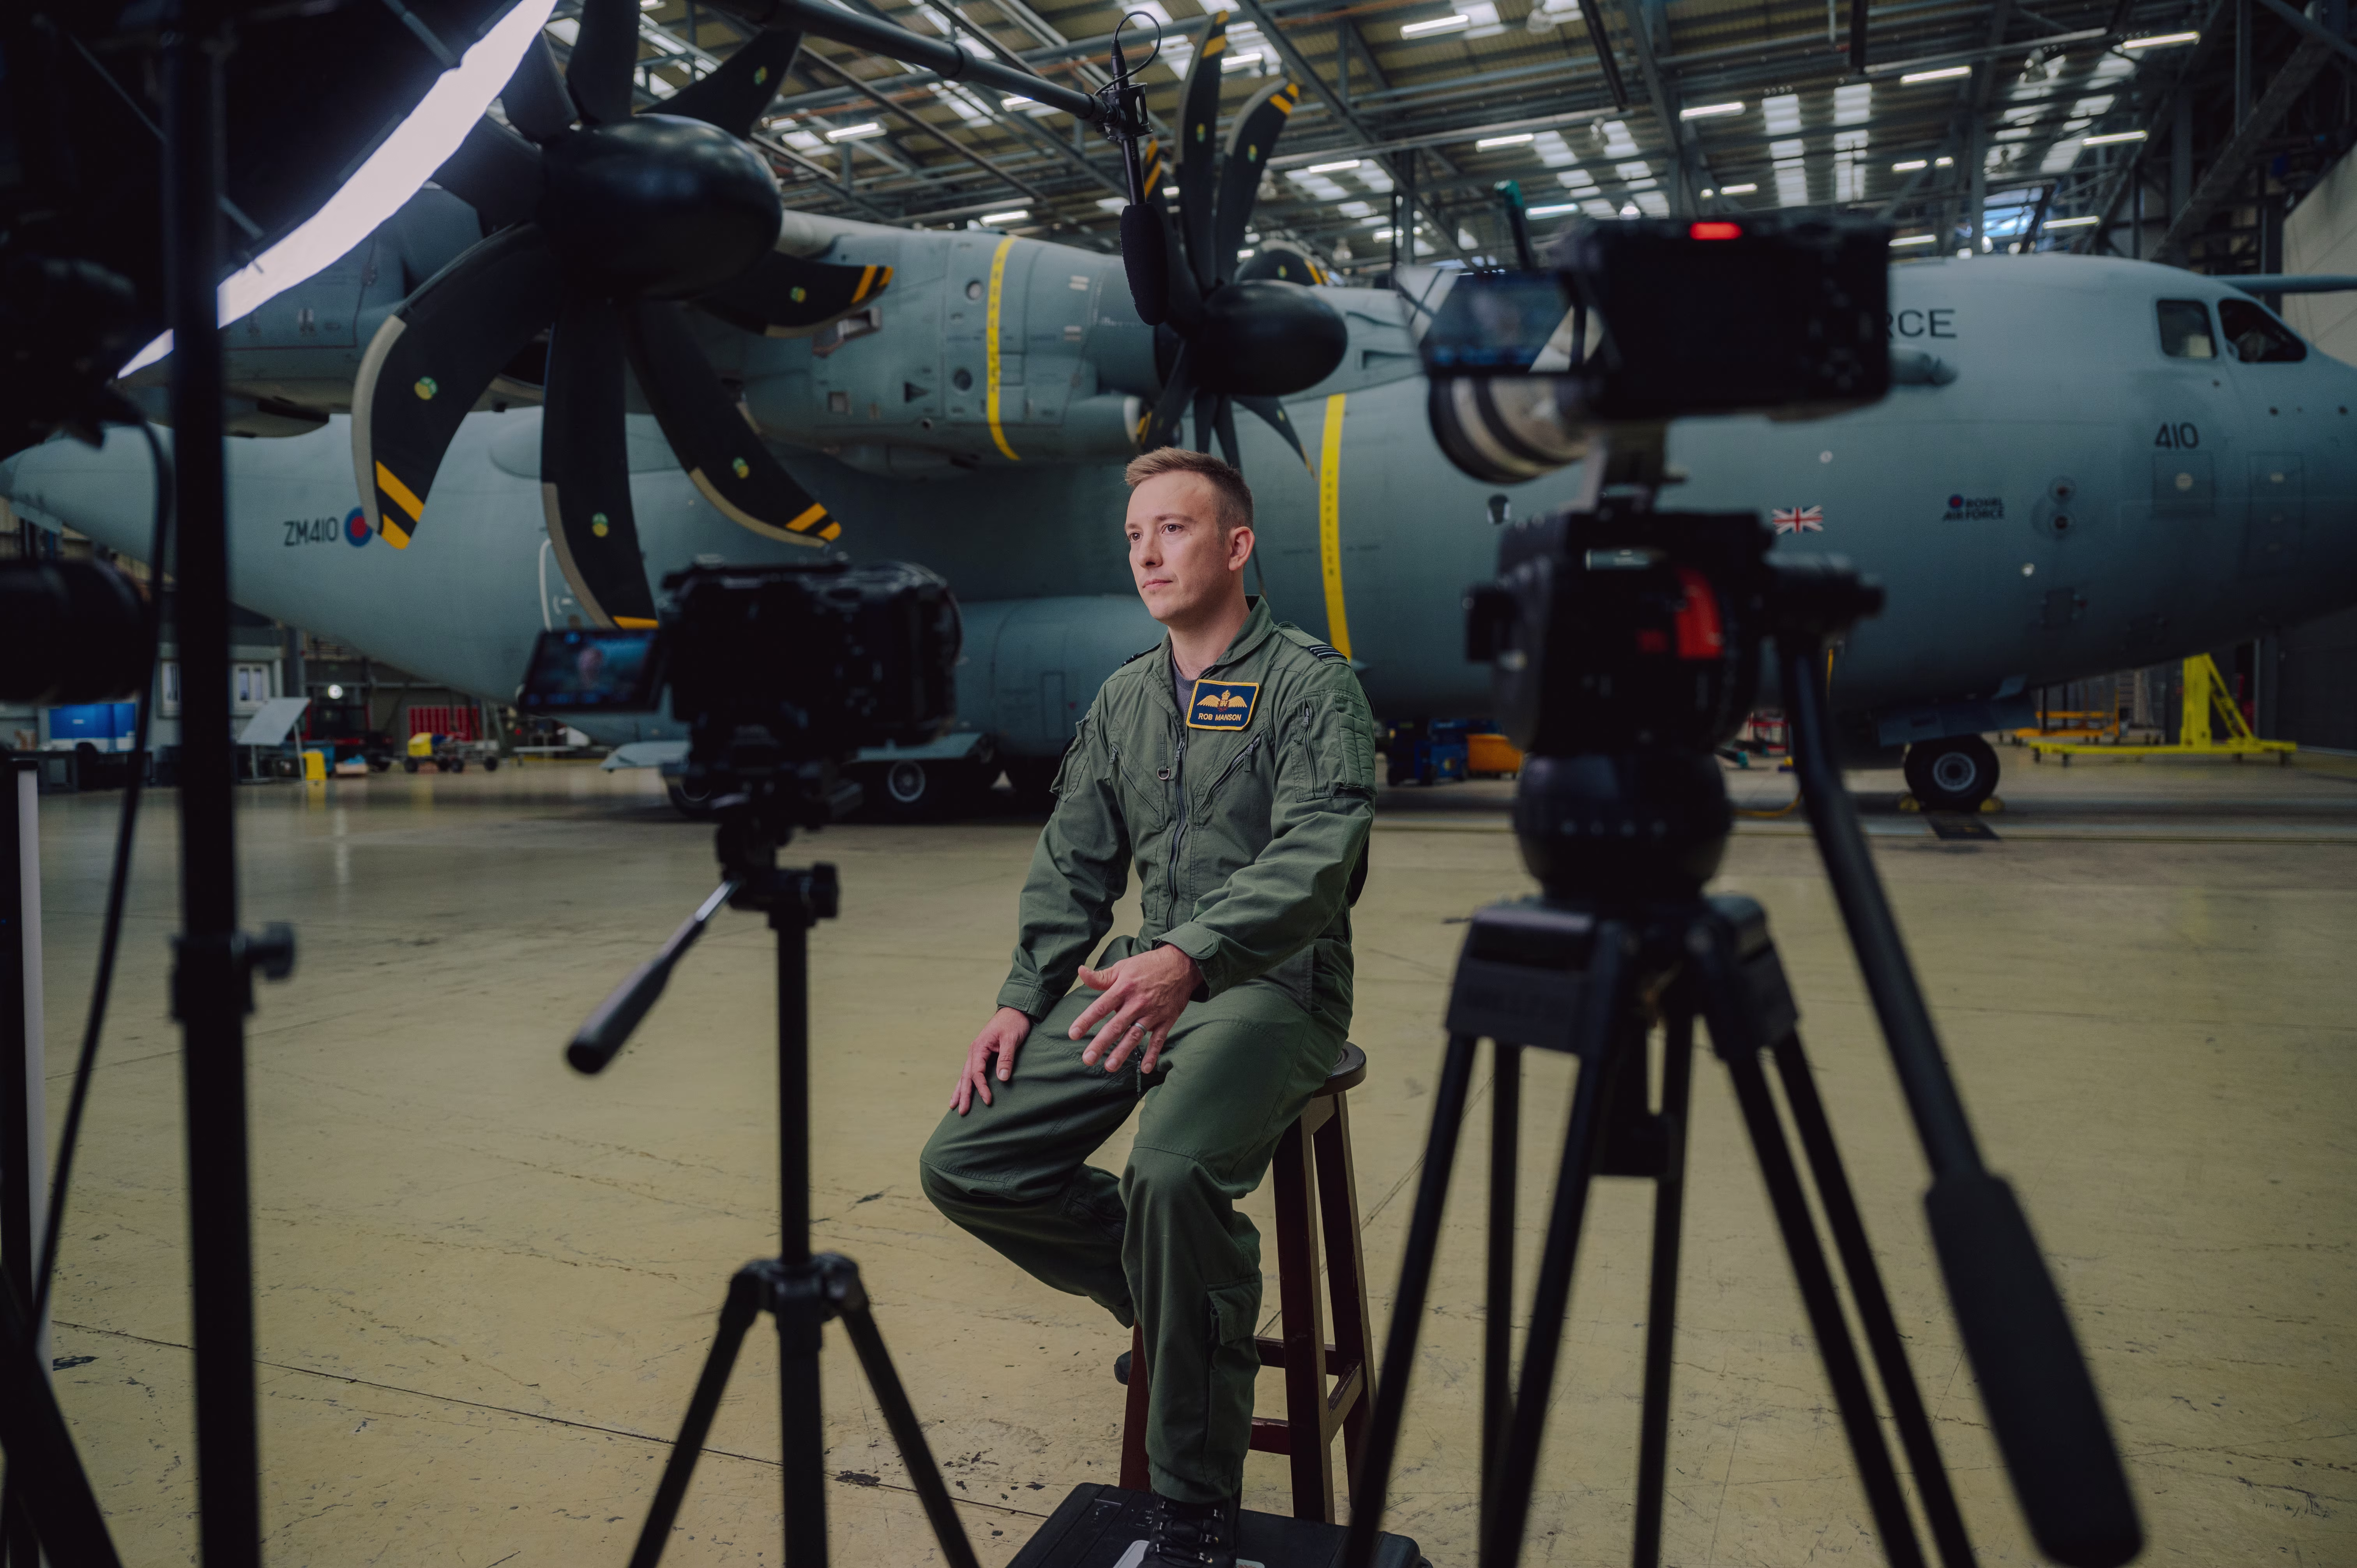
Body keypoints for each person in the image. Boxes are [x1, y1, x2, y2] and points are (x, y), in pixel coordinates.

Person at [919, 447, 1377, 1567]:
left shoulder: (1312, 685)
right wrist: (1022, 999)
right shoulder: (1128, 697)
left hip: (1273, 984)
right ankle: (1180, 1311)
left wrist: (1192, 955)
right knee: (967, 1159)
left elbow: (1323, 860)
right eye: (1134, 538)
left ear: (1236, 546)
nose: (1147, 555)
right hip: (1140, 977)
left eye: (1172, 531)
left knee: (1170, 1177)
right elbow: (1073, 861)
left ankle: (1192, 1508)